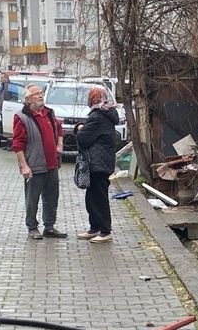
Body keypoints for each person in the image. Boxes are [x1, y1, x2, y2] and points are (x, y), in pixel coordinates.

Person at [12, 84, 66, 240]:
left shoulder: (48, 113)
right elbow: (18, 144)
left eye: (41, 93)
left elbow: (59, 127)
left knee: (52, 197)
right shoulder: (22, 117)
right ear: (28, 99)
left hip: (52, 164)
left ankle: (49, 226)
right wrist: (23, 165)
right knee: (32, 198)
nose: (41, 95)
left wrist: (59, 144)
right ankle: (32, 227)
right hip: (34, 165)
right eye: (36, 94)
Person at [74, 85, 119, 243]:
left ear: (93, 99)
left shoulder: (98, 116)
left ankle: (105, 231)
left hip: (98, 163)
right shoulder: (105, 113)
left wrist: (79, 128)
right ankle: (94, 228)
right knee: (92, 197)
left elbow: (83, 139)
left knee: (99, 198)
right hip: (101, 162)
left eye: (90, 97)